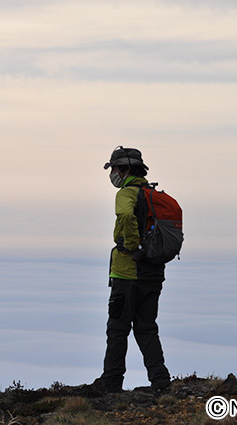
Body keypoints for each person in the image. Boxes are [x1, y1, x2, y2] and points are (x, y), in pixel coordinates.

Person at [97, 146, 171, 395]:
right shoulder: (152, 194)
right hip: (153, 273)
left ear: (126, 169)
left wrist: (132, 247)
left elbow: (126, 217)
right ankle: (161, 382)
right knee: (147, 327)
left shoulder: (126, 194)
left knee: (117, 329)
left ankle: (111, 384)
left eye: (115, 169)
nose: (113, 174)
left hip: (128, 274)